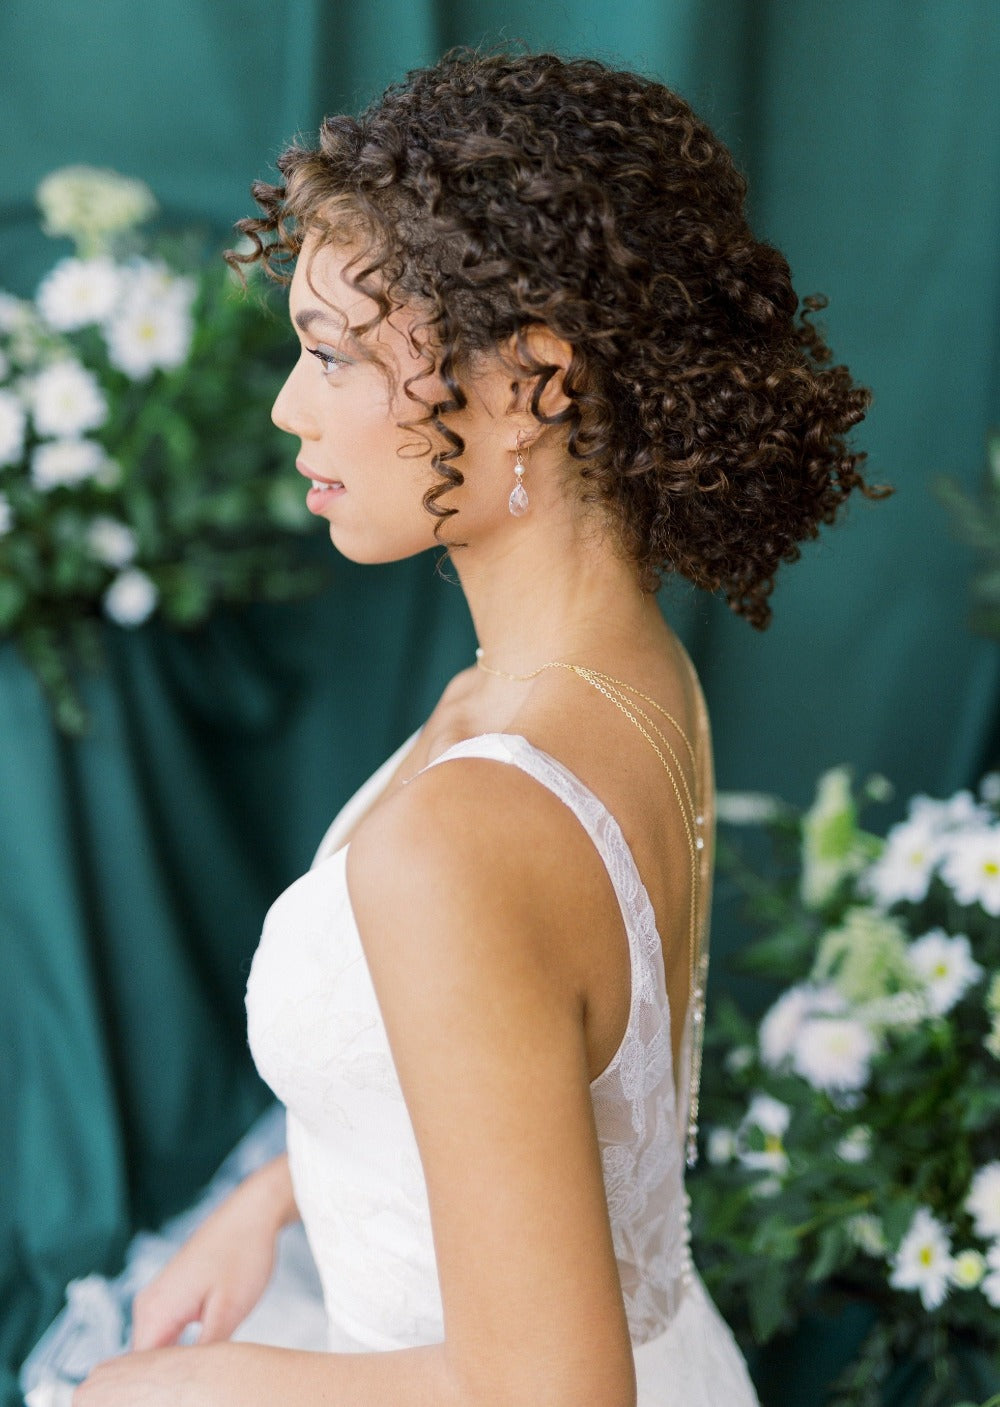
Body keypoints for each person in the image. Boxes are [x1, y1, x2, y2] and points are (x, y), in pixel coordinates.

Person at [73, 46, 883, 1407]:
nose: (288, 406)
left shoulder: (472, 828)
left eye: (333, 353)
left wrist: (148, 1396)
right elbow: (542, 1080)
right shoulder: (619, 676)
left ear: (537, 382)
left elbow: (550, 1392)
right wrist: (276, 1192)